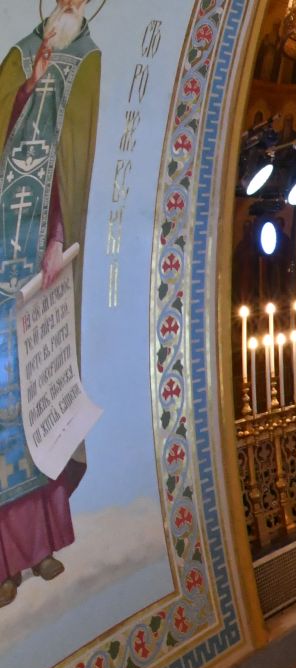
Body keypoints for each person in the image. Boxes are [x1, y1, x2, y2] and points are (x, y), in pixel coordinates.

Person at [0, 0, 99, 608]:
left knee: (35, 410)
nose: (66, 7)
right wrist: (29, 81)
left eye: (76, 2)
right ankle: (5, 564)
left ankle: (41, 548)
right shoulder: (15, 64)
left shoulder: (84, 66)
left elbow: (67, 170)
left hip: (36, 277)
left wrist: (57, 240)